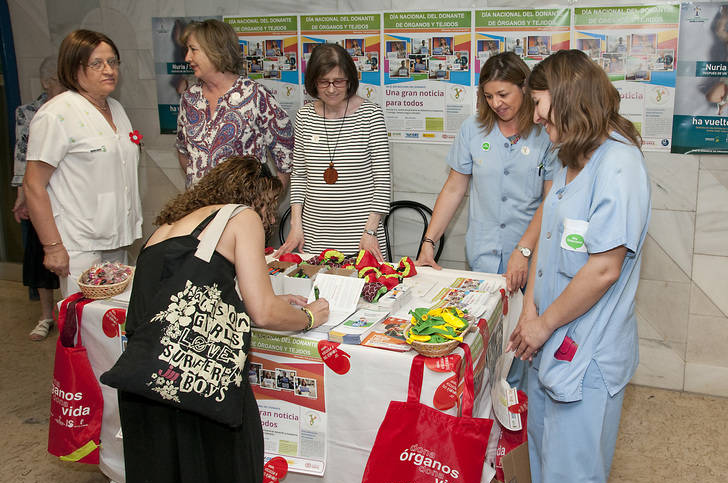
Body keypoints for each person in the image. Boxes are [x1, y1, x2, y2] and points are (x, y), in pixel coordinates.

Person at [115, 155, 330, 483]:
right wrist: (310, 318)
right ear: (256, 196)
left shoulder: (169, 225)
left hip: (146, 381)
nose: (270, 215)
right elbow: (263, 313)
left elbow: (185, 299)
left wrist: (269, 298)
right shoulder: (241, 216)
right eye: (269, 205)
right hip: (200, 380)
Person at [507, 49, 651, 483]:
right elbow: (548, 241)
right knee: (548, 474)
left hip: (585, 353)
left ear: (573, 104)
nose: (540, 124)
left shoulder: (619, 165)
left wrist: (543, 323)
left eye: (545, 114)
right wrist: (530, 309)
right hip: (548, 342)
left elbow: (604, 268)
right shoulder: (573, 154)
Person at [415, 52, 559, 390]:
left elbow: (551, 201)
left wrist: (523, 251)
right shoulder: (473, 129)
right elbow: (454, 188)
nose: (496, 103)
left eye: (504, 94)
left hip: (531, 255)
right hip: (482, 254)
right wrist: (428, 241)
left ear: (525, 88)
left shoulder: (545, 132)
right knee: (486, 339)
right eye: (489, 95)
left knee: (523, 341)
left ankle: (518, 409)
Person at [24, 30, 142, 298]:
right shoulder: (56, 114)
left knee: (115, 323)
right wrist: (52, 246)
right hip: (79, 245)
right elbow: (33, 185)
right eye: (97, 63)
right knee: (84, 326)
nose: (108, 70)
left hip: (117, 240)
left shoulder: (116, 109)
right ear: (74, 67)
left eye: (113, 62)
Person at [276, 44, 391, 260]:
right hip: (314, 236)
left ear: (349, 80)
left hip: (362, 236)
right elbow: (299, 175)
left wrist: (370, 231)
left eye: (338, 81)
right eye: (323, 82)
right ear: (313, 81)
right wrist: (296, 224)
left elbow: (383, 180)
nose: (331, 89)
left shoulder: (370, 115)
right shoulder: (304, 117)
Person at [176, 20, 293, 189]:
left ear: (215, 51)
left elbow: (286, 158)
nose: (187, 57)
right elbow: (183, 151)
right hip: (200, 209)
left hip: (243, 211)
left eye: (193, 50)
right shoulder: (190, 98)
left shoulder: (255, 95)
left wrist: (267, 203)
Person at [12, 57, 64, 340]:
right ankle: (46, 316)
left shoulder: (76, 109)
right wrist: (21, 196)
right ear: (46, 82)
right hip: (39, 191)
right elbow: (22, 156)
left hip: (66, 193)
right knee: (40, 254)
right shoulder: (29, 112)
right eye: (59, 79)